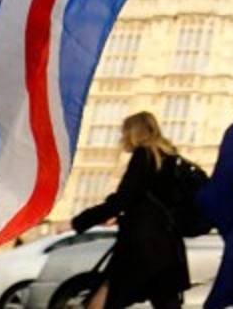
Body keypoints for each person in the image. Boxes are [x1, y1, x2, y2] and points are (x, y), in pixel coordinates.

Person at [71, 111, 191, 309]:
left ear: (134, 132)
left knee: (104, 298)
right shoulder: (170, 158)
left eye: (124, 132)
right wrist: (123, 217)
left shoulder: (144, 155)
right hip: (167, 246)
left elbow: (123, 199)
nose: (122, 138)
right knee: (165, 302)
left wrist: (78, 221)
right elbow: (149, 203)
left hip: (140, 248)